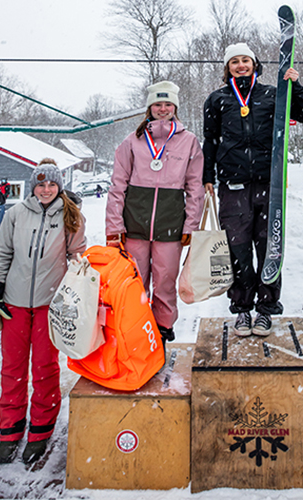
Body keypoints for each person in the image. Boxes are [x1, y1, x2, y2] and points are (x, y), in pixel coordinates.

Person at [203, 42, 303, 337]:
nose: (241, 65)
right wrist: (208, 177)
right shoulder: (217, 100)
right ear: (227, 68)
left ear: (255, 64)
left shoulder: (273, 94)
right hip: (233, 186)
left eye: (245, 60)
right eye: (234, 62)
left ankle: (266, 309)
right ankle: (241, 310)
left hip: (270, 184)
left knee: (269, 249)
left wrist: (295, 84)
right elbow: (210, 141)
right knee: (237, 251)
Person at [0, 159, 87, 465]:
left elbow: (77, 256)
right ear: (33, 186)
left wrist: (78, 292)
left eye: (52, 184)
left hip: (48, 305)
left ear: (59, 186)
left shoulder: (71, 216)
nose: (46, 190)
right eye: (41, 184)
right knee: (12, 369)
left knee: (44, 368)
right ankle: (10, 427)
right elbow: (2, 253)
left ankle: (41, 427)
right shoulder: (16, 214)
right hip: (14, 303)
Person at [106, 81, 204, 345]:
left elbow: (195, 188)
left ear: (175, 107)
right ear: (149, 107)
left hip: (170, 227)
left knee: (165, 282)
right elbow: (117, 186)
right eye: (158, 104)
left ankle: (162, 329)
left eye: (168, 104)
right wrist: (114, 226)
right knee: (134, 283)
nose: (163, 109)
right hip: (134, 225)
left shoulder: (189, 141)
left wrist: (190, 227)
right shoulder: (132, 141)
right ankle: (135, 328)